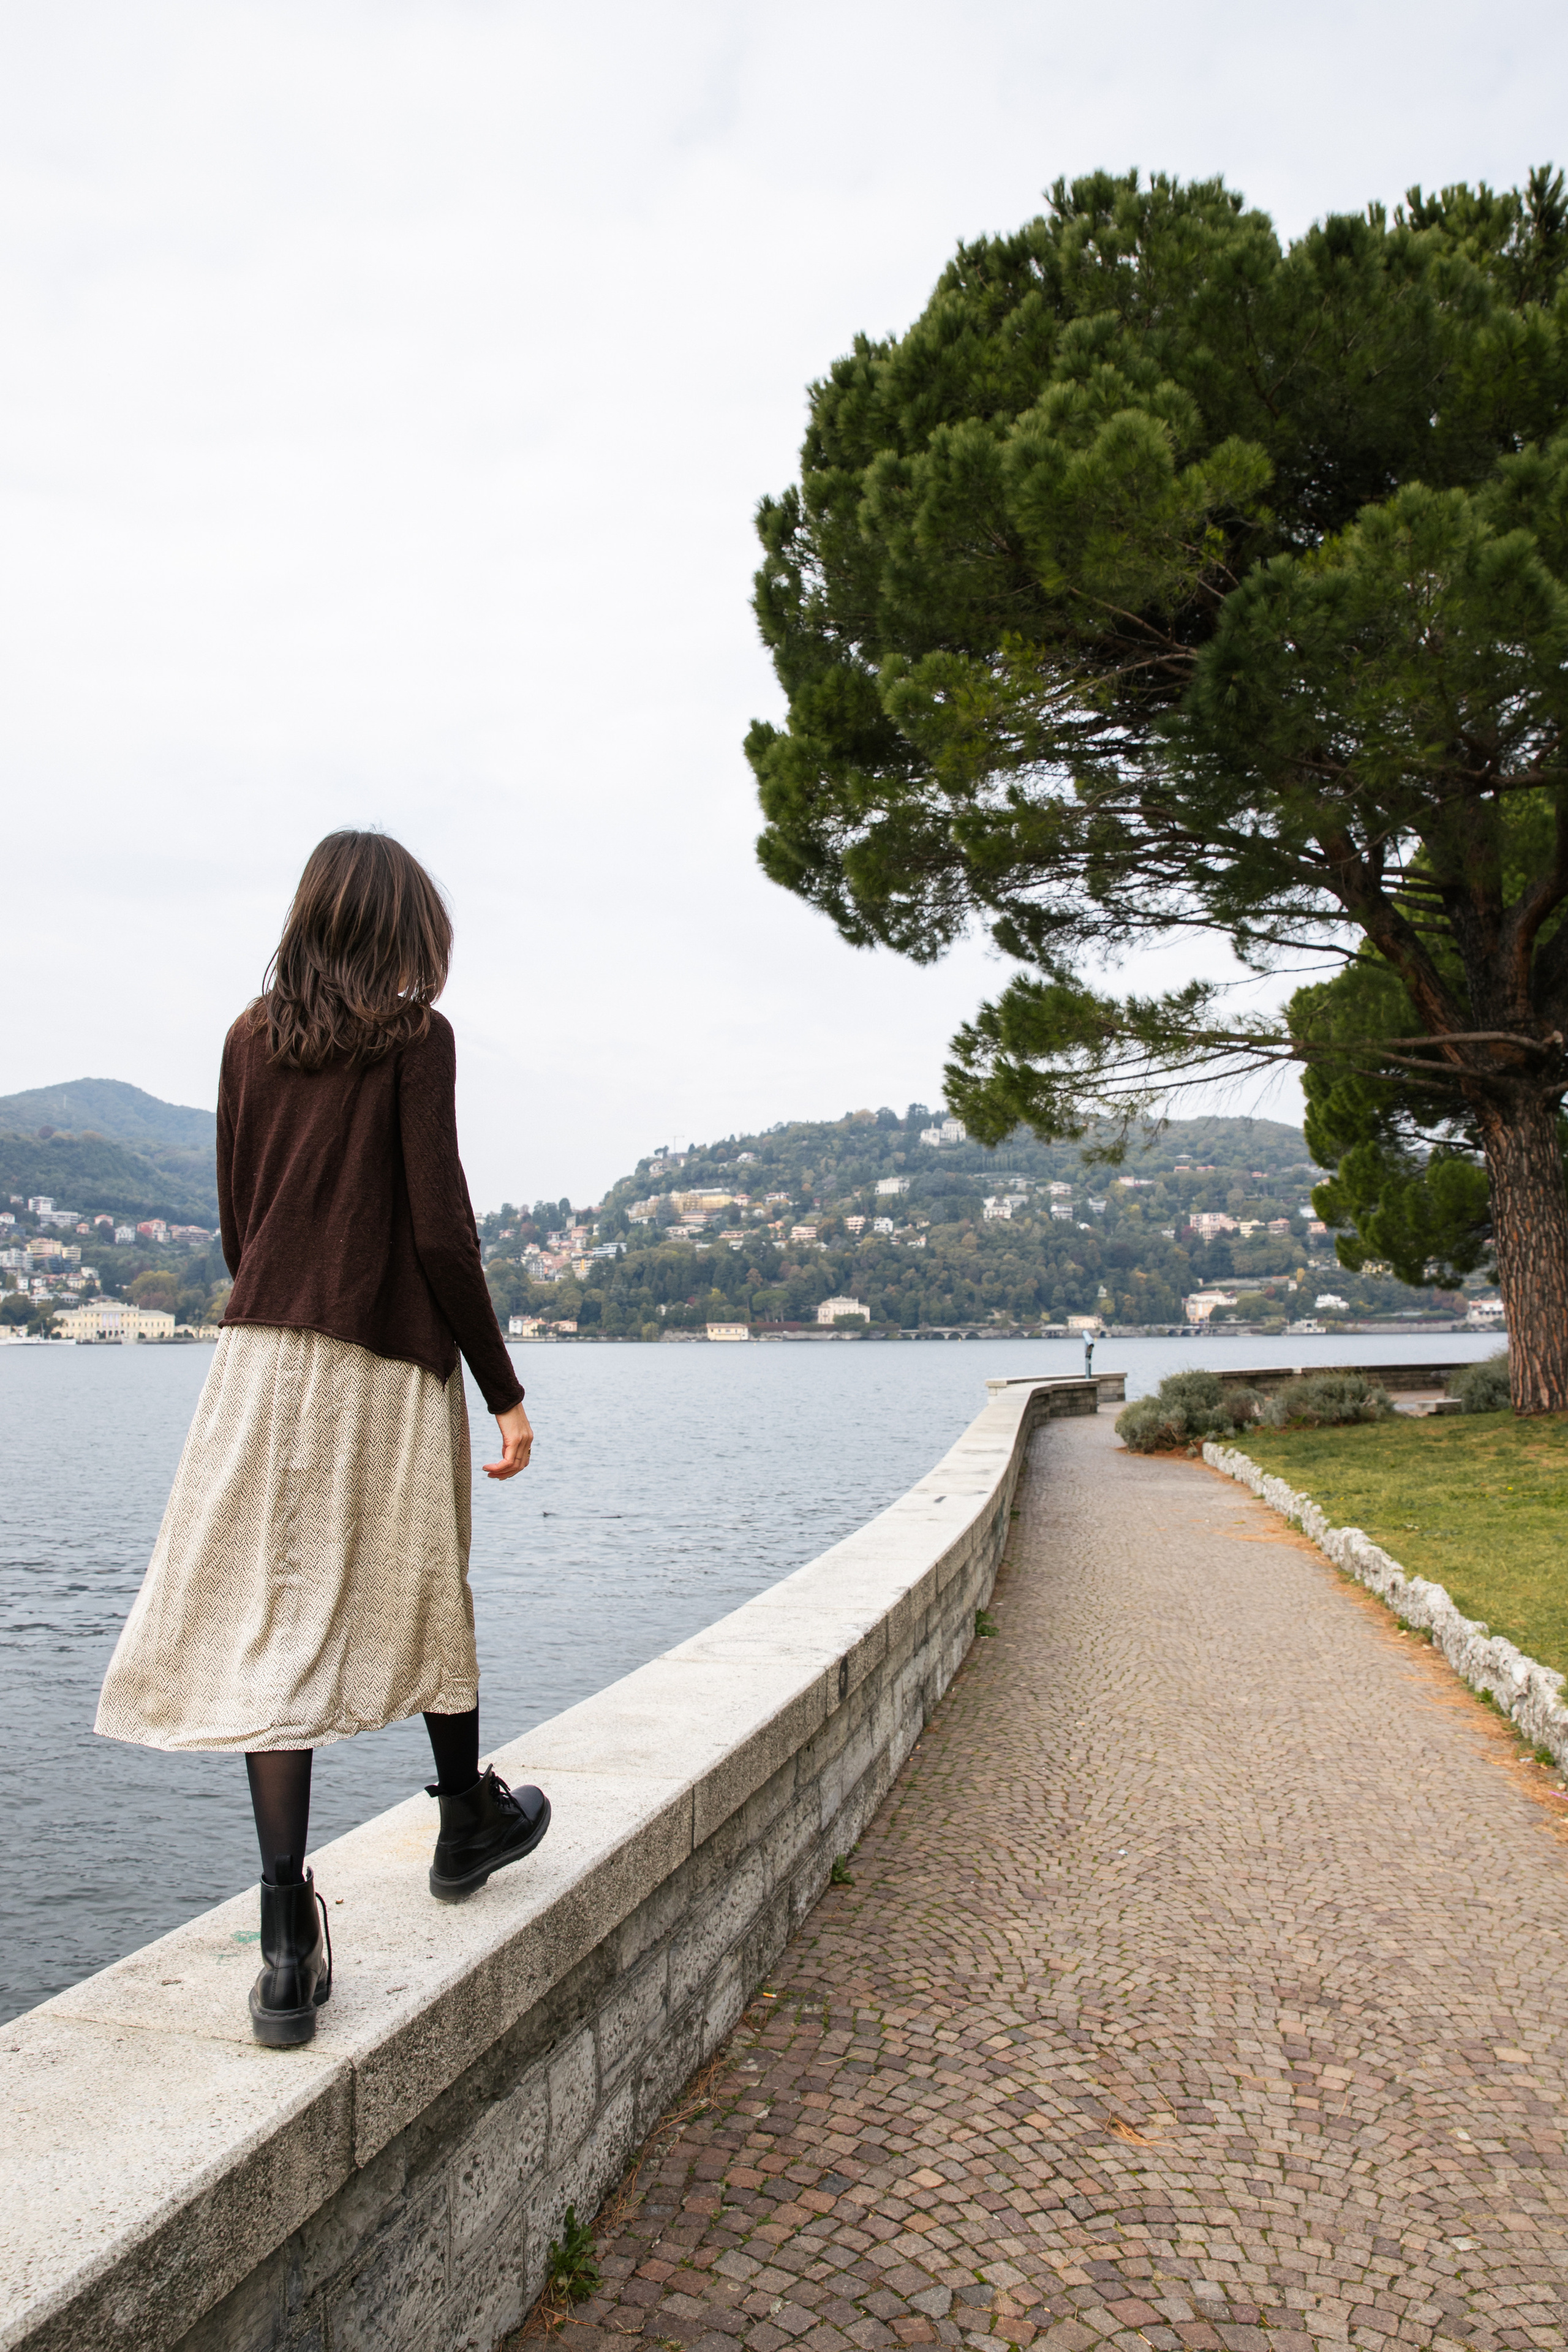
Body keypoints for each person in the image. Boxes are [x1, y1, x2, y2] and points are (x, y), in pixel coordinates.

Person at [96, 830, 549, 2048]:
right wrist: (502, 1388)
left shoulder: (249, 1038)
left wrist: (284, 1301)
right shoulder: (416, 1037)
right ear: (402, 930)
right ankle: (463, 1821)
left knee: (272, 1614)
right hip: (383, 1354)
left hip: (257, 1359)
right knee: (423, 1582)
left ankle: (286, 1944)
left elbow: (241, 1221)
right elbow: (442, 1230)